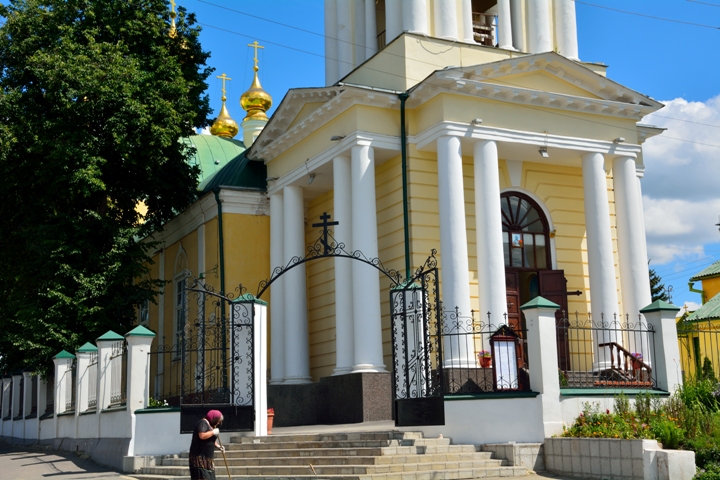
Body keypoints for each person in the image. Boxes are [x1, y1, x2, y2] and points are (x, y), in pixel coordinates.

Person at [189, 409, 225, 480]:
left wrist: (218, 446)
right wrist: (213, 432)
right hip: (200, 458)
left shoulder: (210, 425)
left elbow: (210, 440)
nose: (218, 423)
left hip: (207, 460)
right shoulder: (203, 423)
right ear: (214, 419)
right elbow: (202, 435)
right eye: (218, 421)